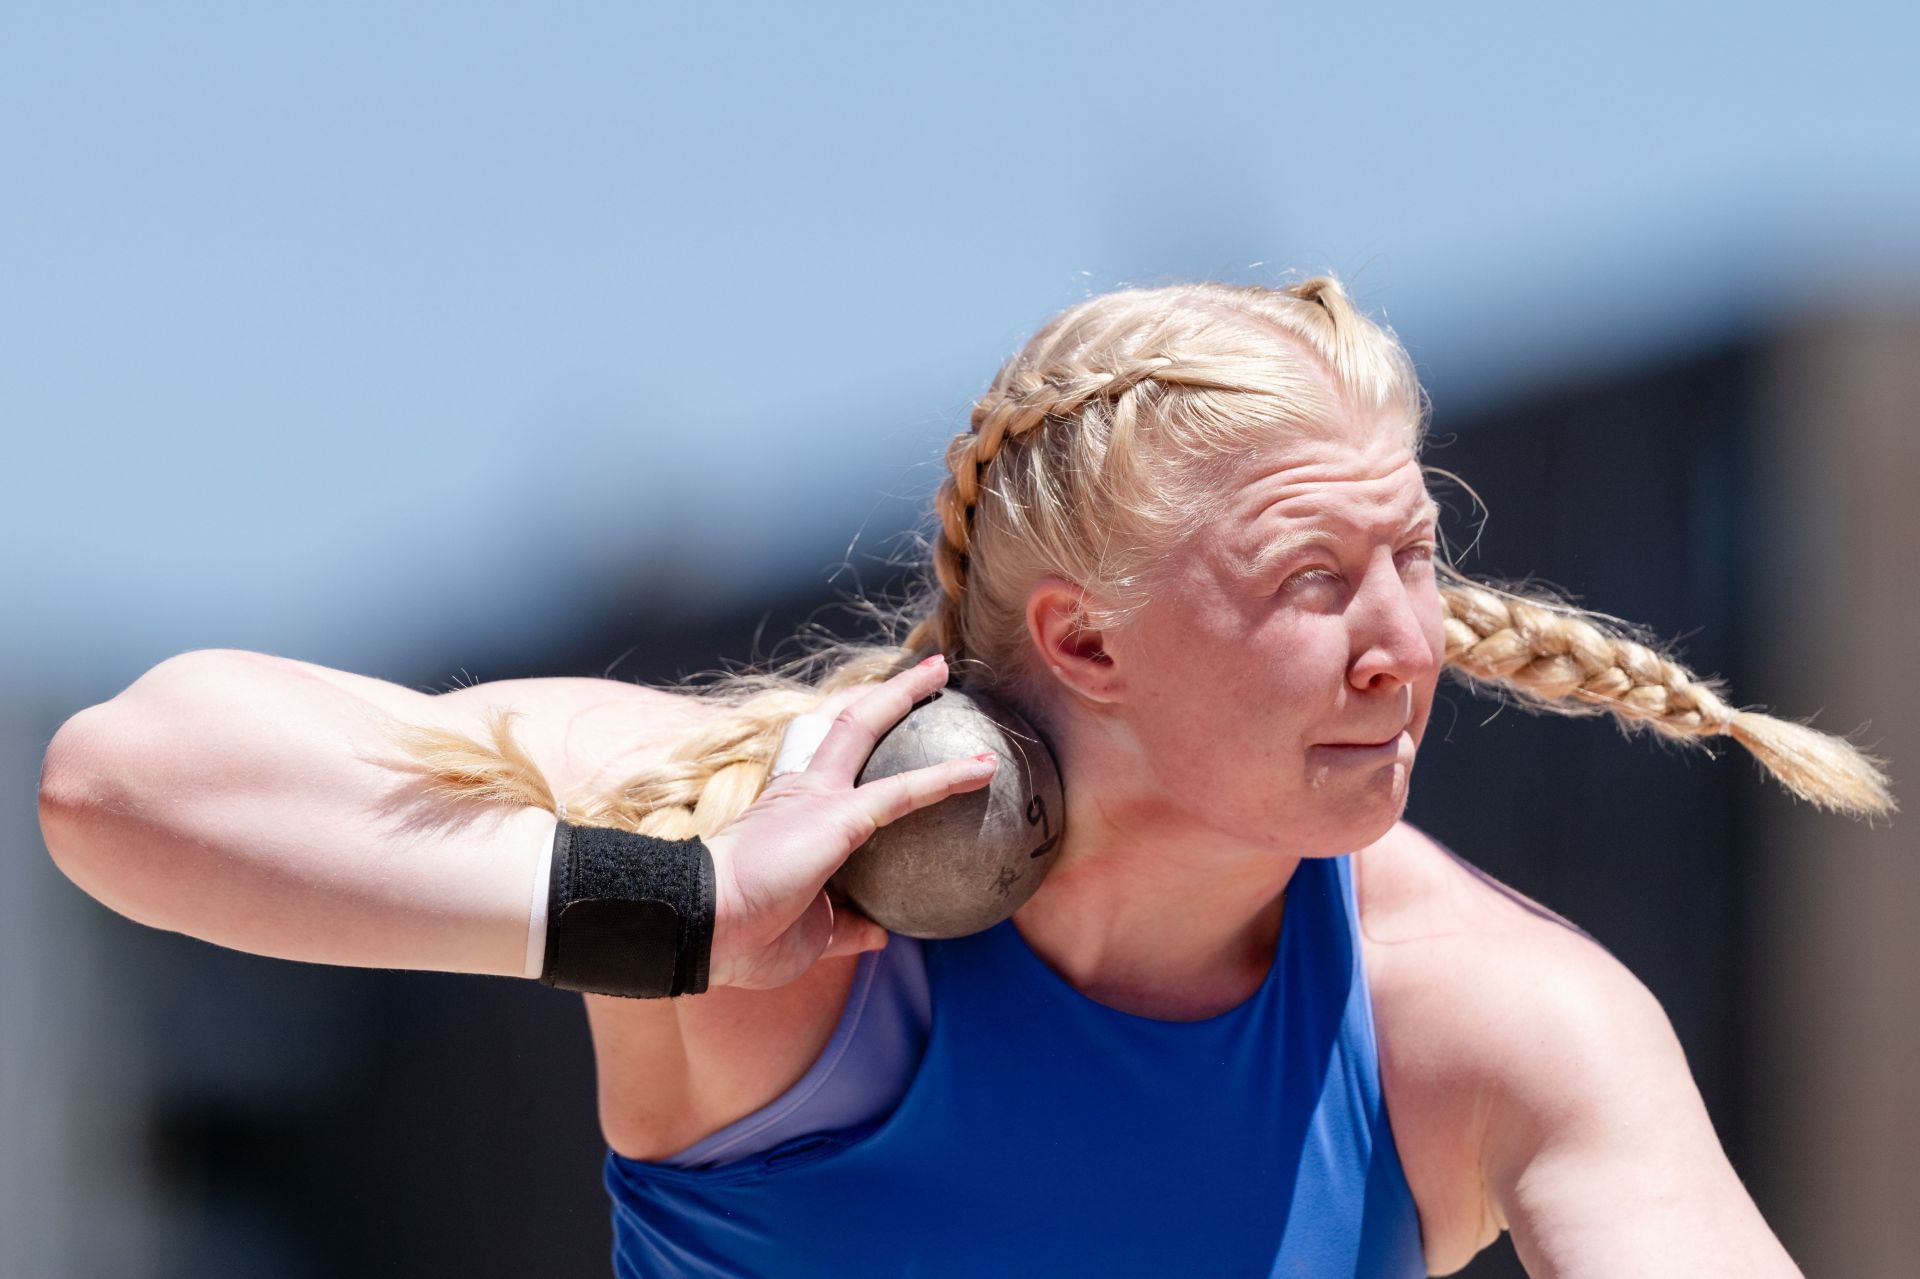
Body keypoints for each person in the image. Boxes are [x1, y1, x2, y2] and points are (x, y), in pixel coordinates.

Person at [39, 276, 1890, 1277]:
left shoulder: (1481, 1023)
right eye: (1316, 584)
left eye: (1413, 558)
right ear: (1084, 643)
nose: (1408, 645)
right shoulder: (758, 840)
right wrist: (672, 918)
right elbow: (120, 786)